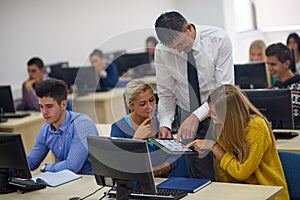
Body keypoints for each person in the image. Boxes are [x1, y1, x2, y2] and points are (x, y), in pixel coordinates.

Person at [154, 11, 234, 179]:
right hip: (187, 113)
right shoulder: (162, 51)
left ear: (188, 28)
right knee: (199, 175)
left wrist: (196, 116)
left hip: (220, 112)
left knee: (227, 168)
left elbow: (224, 90)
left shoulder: (218, 39)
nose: (180, 50)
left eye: (181, 44)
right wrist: (165, 124)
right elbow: (166, 94)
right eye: (174, 48)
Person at [185, 84, 289, 200]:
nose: (209, 115)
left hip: (267, 193)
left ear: (229, 115)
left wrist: (213, 146)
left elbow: (242, 172)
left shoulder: (257, 127)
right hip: (237, 192)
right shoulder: (221, 126)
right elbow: (224, 173)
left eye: (214, 113)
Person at [27, 79, 98, 174]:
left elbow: (72, 166)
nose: (44, 112)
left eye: (49, 106)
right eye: (41, 106)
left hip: (92, 182)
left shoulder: (82, 124)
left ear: (63, 104)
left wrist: (46, 167)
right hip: (69, 180)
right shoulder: (45, 130)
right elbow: (31, 162)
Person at [110, 79, 178, 177]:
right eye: (142, 104)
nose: (150, 107)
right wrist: (136, 140)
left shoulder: (161, 122)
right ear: (131, 106)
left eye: (152, 100)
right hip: (136, 184)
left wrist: (157, 170)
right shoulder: (119, 129)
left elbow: (174, 155)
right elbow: (121, 166)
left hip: (165, 180)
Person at [266, 42, 300, 129]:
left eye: (273, 64)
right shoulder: (272, 90)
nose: (269, 69)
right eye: (268, 64)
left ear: (286, 63)